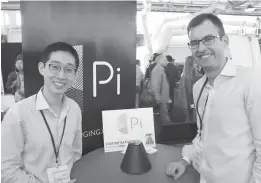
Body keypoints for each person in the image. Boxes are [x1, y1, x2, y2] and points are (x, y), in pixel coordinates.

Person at [165, 13, 261, 183]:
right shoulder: (198, 87)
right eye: (194, 43)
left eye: (208, 39)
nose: (201, 48)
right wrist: (185, 160)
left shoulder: (251, 82)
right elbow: (203, 136)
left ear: (224, 41)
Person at [1, 42, 82, 183]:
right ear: (42, 68)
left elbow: (75, 154)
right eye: (55, 67)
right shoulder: (17, 114)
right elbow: (6, 171)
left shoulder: (74, 109)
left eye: (69, 69)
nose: (62, 76)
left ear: (75, 75)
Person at [151, 54, 172, 124]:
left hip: (162, 97)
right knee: (164, 116)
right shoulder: (158, 70)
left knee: (163, 115)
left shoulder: (160, 69)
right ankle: (169, 131)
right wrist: (157, 98)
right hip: (161, 98)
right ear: (159, 61)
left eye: (166, 60)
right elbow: (156, 85)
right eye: (164, 60)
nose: (166, 62)